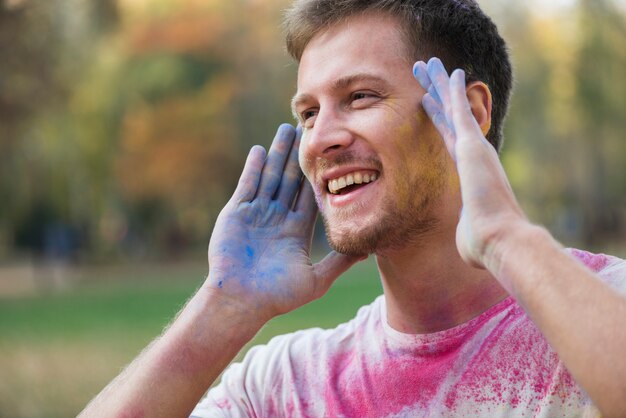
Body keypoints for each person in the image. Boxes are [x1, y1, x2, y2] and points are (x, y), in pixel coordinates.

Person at [80, 0, 626, 417]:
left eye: (361, 96)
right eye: (310, 112)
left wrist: (507, 237)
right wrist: (222, 309)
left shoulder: (607, 305)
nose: (320, 140)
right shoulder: (285, 386)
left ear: (469, 114)